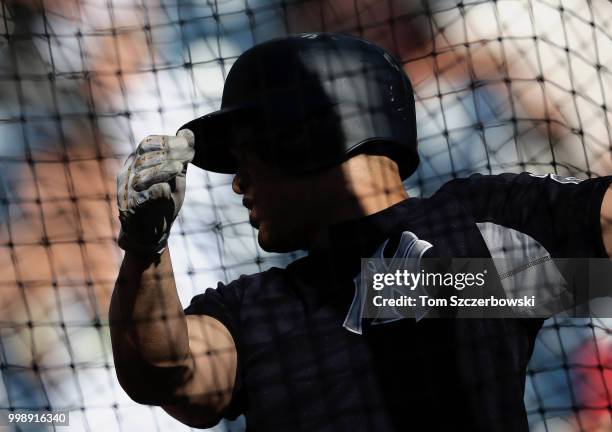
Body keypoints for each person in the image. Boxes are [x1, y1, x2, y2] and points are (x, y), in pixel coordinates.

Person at [109, 33, 612, 431]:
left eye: (248, 154)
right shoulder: (258, 307)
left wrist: (464, 288)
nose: (238, 182)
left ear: (309, 133)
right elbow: (168, 375)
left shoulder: (478, 220)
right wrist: (145, 249)